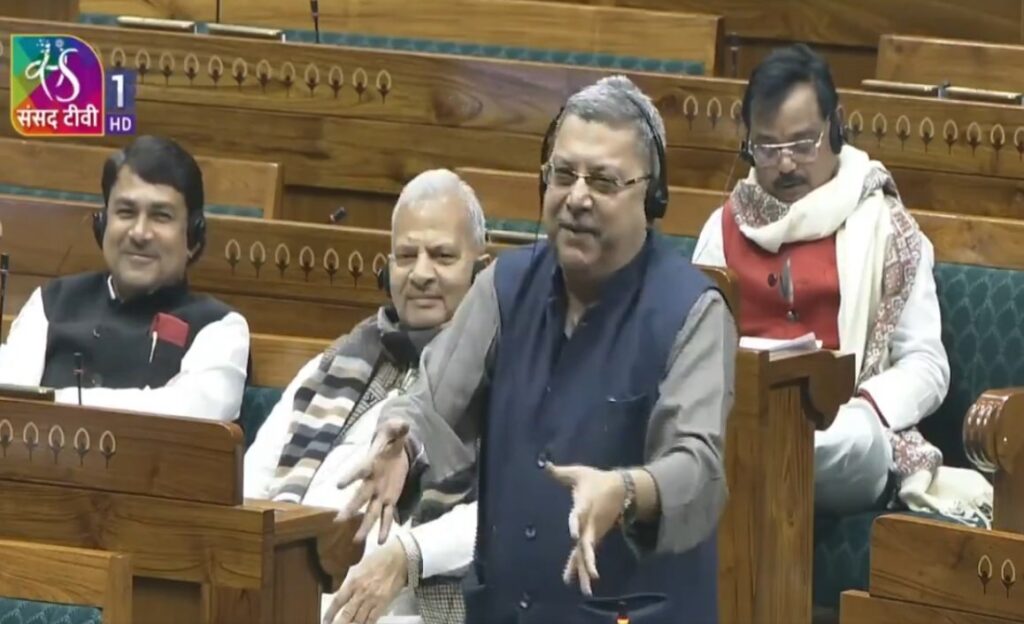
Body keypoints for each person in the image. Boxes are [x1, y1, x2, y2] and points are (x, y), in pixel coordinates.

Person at [336, 76, 737, 624]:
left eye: (603, 181)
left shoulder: (693, 310)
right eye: (563, 175)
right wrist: (402, 447)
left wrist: (626, 489)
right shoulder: (504, 287)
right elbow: (431, 404)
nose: (577, 197)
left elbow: (697, 469)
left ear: (652, 197)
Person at [692, 44, 965, 518]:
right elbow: (692, 348)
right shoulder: (723, 227)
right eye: (768, 148)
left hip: (843, 432)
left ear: (836, 126)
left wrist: (866, 407)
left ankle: (731, 464)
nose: (785, 165)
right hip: (739, 415)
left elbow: (927, 364)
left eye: (803, 144)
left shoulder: (886, 227)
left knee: (851, 442)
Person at [244, 169, 490, 624]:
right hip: (285, 594)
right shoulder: (340, 359)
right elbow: (253, 483)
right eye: (406, 255)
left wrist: (408, 554)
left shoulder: (505, 375)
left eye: (442, 256)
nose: (421, 273)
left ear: (481, 270)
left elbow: (512, 513)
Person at [0, 135, 249, 422]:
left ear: (192, 236)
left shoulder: (220, 328)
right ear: (102, 225)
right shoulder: (50, 303)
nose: (139, 233)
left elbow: (188, 419)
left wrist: (49, 402)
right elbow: (9, 404)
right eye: (126, 212)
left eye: (161, 216)